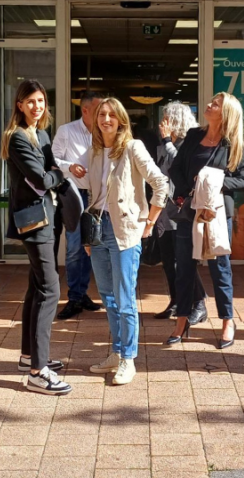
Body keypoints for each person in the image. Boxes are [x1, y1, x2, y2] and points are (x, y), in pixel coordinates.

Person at [70, 98, 169, 384]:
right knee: (108, 297)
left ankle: (128, 358)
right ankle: (115, 352)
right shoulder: (95, 151)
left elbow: (160, 183)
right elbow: (89, 192)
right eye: (102, 114)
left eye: (112, 115)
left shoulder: (133, 148)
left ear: (121, 120)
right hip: (99, 229)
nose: (106, 119)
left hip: (124, 230)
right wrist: (89, 235)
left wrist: (149, 222)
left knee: (125, 299)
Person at [2, 79, 71, 395]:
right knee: (50, 289)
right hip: (34, 222)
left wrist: (54, 172)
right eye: (30, 101)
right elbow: (42, 177)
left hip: (46, 218)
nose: (37, 106)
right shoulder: (17, 138)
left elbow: (49, 169)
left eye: (41, 101)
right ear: (19, 104)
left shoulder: (41, 134)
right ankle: (37, 371)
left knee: (36, 286)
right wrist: (61, 174)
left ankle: (29, 356)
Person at [167, 93, 244, 349]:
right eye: (211, 101)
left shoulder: (234, 144)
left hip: (216, 214)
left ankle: (227, 321)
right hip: (189, 211)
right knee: (184, 268)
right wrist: (185, 191)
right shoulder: (193, 135)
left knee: (220, 270)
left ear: (225, 113)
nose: (209, 105)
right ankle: (182, 320)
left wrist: (214, 182)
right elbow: (175, 169)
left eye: (215, 104)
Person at [52, 91, 103, 320]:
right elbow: (53, 160)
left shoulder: (106, 131)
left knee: (93, 246)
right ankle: (74, 297)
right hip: (74, 195)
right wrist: (70, 166)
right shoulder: (67, 130)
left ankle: (82, 293)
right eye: (99, 110)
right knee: (74, 247)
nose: (104, 115)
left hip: (98, 196)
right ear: (85, 110)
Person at [152, 102, 206, 321]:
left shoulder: (188, 144)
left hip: (181, 211)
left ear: (175, 120)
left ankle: (199, 303)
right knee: (168, 261)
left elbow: (181, 167)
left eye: (166, 118)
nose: (162, 123)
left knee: (183, 261)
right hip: (165, 213)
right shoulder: (167, 144)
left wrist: (166, 142)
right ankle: (176, 300)